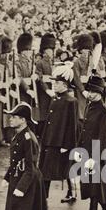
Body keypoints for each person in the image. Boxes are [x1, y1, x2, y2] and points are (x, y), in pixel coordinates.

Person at [2, 103, 55, 210]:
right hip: (19, 179)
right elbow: (16, 161)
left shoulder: (28, 138)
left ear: (23, 120)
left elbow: (31, 168)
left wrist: (21, 188)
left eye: (14, 117)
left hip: (29, 182)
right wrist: (7, 177)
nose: (10, 119)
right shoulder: (18, 134)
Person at [75, 75, 106, 210]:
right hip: (87, 151)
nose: (90, 94)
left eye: (94, 92)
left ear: (100, 93)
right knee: (92, 184)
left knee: (94, 185)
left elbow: (104, 137)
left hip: (98, 154)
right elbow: (84, 130)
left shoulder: (104, 112)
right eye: (89, 91)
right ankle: (105, 204)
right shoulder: (89, 106)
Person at [39, 63, 79, 201]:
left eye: (57, 83)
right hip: (49, 140)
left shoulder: (71, 101)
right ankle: (43, 196)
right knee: (46, 169)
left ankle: (72, 193)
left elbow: (71, 125)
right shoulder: (56, 98)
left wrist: (68, 145)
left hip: (60, 143)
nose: (54, 85)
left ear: (65, 85)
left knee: (65, 169)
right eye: (54, 83)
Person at [35, 33, 56, 138]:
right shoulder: (40, 63)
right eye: (49, 50)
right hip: (44, 91)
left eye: (52, 50)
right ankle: (42, 133)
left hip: (53, 87)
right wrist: (47, 90)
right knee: (43, 112)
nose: (52, 52)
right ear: (45, 51)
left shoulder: (53, 62)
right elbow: (40, 78)